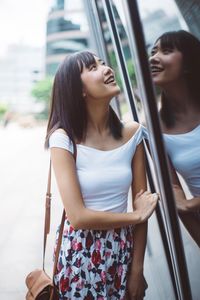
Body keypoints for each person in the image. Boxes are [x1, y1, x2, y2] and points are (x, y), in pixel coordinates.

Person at [45, 51, 158, 299]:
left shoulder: (133, 134)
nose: (107, 69)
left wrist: (137, 270)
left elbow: (143, 207)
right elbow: (78, 217)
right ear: (79, 90)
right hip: (79, 258)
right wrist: (135, 215)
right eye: (93, 67)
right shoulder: (63, 139)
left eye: (104, 63)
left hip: (123, 253)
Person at [149, 30, 200, 247]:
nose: (153, 57)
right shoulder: (155, 131)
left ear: (189, 63)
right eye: (153, 52)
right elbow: (178, 201)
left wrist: (193, 203)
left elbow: (185, 205)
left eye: (166, 51)